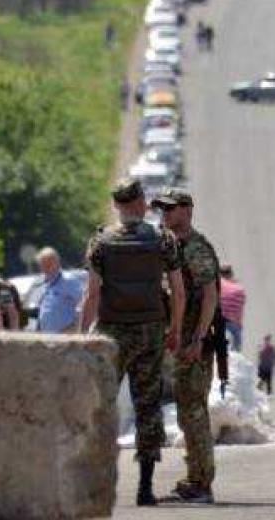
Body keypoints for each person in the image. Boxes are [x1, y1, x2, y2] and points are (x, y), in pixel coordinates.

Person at [80, 177, 186, 506]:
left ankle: (96, 482)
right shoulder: (163, 240)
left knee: (101, 406)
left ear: (116, 206)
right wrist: (175, 330)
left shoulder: (101, 242)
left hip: (111, 333)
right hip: (150, 331)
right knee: (148, 406)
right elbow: (178, 291)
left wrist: (84, 337)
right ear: (141, 203)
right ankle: (145, 486)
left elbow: (92, 294)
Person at [153, 186, 220, 505]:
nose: (164, 214)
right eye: (161, 209)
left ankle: (202, 483)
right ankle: (195, 476)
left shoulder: (195, 248)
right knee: (186, 412)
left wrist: (198, 337)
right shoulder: (172, 246)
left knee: (194, 412)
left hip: (195, 344)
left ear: (187, 210)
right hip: (182, 342)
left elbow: (210, 295)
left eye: (170, 208)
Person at [35, 247, 83, 333]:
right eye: (43, 265)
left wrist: (75, 327)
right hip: (47, 336)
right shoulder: (43, 284)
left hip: (66, 335)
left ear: (57, 263)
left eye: (48, 264)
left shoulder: (68, 281)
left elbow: (83, 304)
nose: (45, 268)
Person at [218, 263, 246, 351]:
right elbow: (239, 311)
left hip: (217, 321)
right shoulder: (239, 289)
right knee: (235, 354)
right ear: (230, 274)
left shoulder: (215, 285)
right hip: (233, 324)